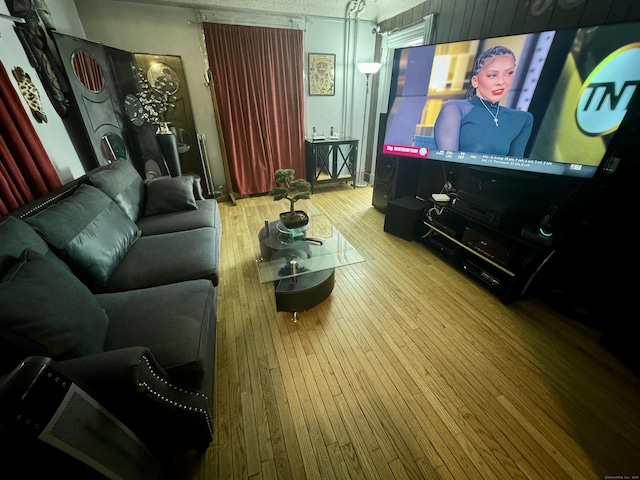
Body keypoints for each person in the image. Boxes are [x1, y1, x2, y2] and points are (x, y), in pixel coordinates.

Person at [433, 46, 533, 157]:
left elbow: (515, 168)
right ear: (475, 81)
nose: (501, 81)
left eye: (508, 73)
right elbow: (447, 163)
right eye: (492, 75)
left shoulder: (522, 119)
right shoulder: (455, 109)